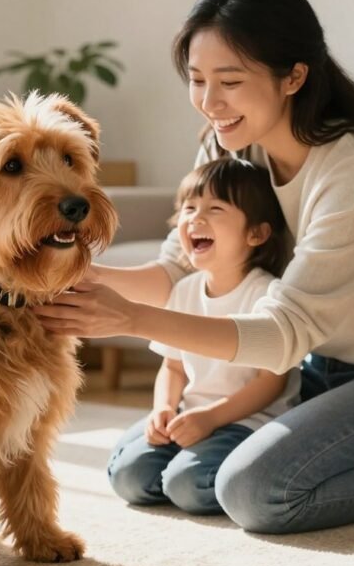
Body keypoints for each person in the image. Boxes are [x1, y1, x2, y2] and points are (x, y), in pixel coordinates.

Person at [34, 0, 354, 534]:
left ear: (293, 77)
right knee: (135, 472)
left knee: (255, 492)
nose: (210, 102)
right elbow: (180, 268)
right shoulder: (227, 145)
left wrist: (130, 319)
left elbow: (286, 332)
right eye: (196, 79)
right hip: (311, 370)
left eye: (230, 81)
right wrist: (71, 270)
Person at [108, 158, 299, 515]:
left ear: (255, 233)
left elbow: (270, 384)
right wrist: (163, 408)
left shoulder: (267, 294)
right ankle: (184, 465)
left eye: (214, 209)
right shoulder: (185, 289)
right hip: (190, 416)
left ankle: (197, 474)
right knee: (127, 476)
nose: (195, 219)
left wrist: (210, 419)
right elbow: (173, 367)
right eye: (188, 208)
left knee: (188, 485)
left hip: (247, 423)